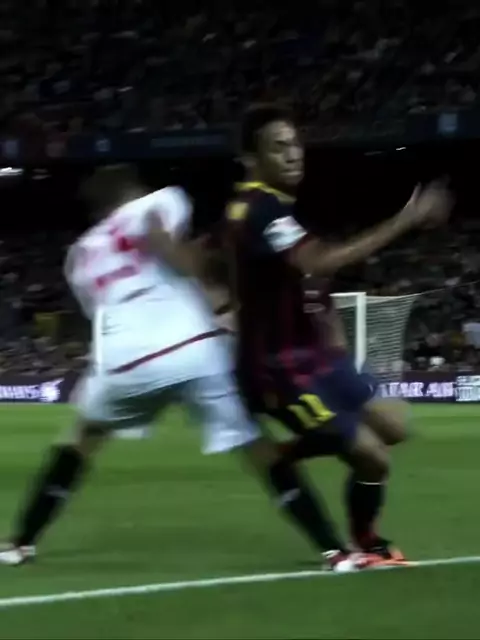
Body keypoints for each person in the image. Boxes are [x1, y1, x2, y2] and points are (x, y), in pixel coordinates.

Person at [0, 165, 370, 572]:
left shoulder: (79, 255)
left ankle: (20, 543)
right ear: (135, 189)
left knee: (81, 438)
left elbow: (101, 309)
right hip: (194, 350)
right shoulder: (161, 201)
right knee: (259, 449)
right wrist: (212, 292)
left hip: (125, 361)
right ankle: (334, 551)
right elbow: (173, 247)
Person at [224, 105, 453, 563]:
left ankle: (288, 452)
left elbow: (305, 280)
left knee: (394, 426)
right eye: (278, 147)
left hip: (318, 357)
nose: (293, 154)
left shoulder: (277, 212)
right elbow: (321, 262)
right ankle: (366, 539)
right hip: (279, 370)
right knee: (373, 457)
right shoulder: (257, 210)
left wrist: (333, 338)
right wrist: (406, 219)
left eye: (295, 143)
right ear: (251, 158)